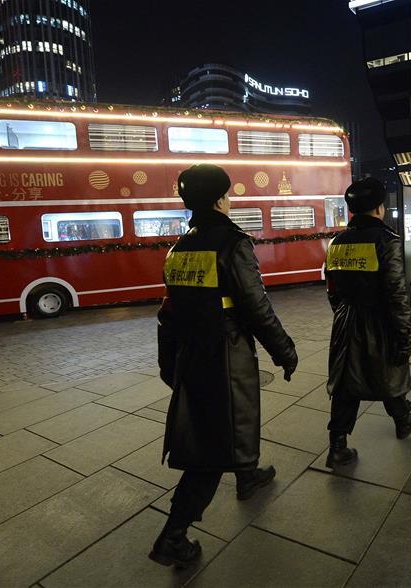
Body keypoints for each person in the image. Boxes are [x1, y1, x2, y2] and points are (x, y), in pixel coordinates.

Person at [152, 164, 298, 568]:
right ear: (220, 199)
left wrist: (169, 365)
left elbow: (168, 314)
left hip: (191, 355)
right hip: (225, 353)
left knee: (229, 424)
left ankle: (247, 474)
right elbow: (256, 307)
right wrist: (284, 351)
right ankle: (173, 537)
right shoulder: (232, 243)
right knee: (215, 446)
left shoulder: (178, 249)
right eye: (228, 195)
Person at [324, 177, 411, 467]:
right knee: (387, 372)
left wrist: (344, 314)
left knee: (345, 382)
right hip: (380, 319)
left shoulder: (337, 243)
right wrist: (404, 336)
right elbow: (396, 293)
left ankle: (337, 445)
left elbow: (331, 289)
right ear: (380, 208)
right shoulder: (387, 241)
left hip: (346, 319)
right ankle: (403, 419)